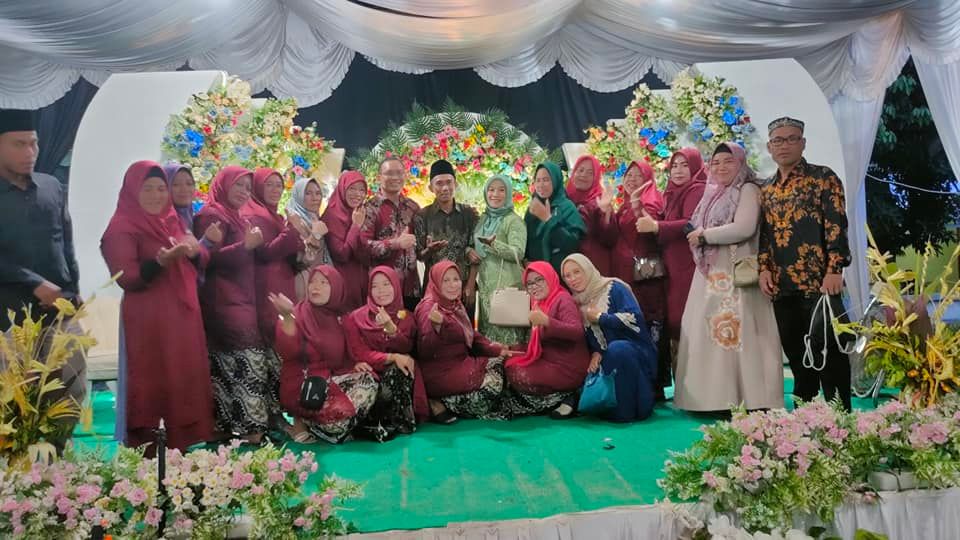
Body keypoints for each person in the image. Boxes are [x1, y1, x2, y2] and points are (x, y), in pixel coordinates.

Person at [101, 160, 213, 455]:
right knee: (156, 379)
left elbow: (200, 257)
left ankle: (182, 445)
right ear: (132, 191)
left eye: (161, 189)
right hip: (149, 320)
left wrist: (195, 250)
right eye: (148, 189)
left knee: (184, 378)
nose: (156, 195)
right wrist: (159, 263)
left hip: (182, 316)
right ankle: (152, 451)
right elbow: (126, 277)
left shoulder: (171, 219)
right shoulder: (121, 227)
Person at [675, 142, 783, 412]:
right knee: (710, 330)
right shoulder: (713, 193)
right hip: (712, 273)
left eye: (728, 161)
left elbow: (745, 227)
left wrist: (705, 236)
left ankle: (747, 397)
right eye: (716, 162)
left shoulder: (747, 189)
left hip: (735, 273)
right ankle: (712, 398)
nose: (721, 167)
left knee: (736, 330)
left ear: (740, 163)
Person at [0, 109, 85, 445]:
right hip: (9, 316)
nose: (30, 152)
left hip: (58, 313)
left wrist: (74, 289)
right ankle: (15, 471)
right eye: (19, 144)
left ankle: (54, 461)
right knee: (14, 401)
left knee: (70, 391)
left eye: (33, 143)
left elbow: (65, 241)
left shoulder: (51, 186)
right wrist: (32, 282)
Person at [759, 117, 852, 411]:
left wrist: (835, 269)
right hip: (783, 286)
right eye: (778, 140)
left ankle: (841, 419)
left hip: (820, 284)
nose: (784, 145)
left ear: (803, 143)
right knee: (798, 358)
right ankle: (804, 421)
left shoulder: (823, 178)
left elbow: (836, 225)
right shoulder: (766, 188)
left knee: (830, 354)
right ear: (769, 147)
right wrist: (764, 268)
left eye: (792, 138)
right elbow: (765, 235)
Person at [193, 165, 281, 444]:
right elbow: (207, 259)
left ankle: (232, 427)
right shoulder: (211, 215)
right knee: (248, 362)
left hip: (241, 300)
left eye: (247, 187)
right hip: (222, 302)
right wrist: (246, 245)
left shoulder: (236, 216)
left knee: (234, 365)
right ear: (223, 184)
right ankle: (253, 431)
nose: (244, 192)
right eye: (238, 185)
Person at [270, 266, 378, 444]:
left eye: (323, 282)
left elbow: (353, 350)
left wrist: (354, 364)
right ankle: (300, 421)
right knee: (338, 419)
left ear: (336, 287)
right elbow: (287, 351)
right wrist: (287, 317)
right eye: (312, 281)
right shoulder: (296, 314)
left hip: (328, 381)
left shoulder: (341, 318)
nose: (315, 286)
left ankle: (318, 426)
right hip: (302, 386)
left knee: (368, 380)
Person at [636, 148, 707, 395]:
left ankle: (696, 389)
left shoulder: (697, 189)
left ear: (695, 167)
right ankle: (684, 389)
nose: (678, 170)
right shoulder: (671, 192)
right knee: (676, 324)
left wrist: (657, 226)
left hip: (688, 264)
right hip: (673, 265)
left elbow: (691, 223)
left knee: (686, 322)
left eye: (684, 165)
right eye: (674, 165)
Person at [562, 254, 658, 422]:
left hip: (636, 355)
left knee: (619, 349)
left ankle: (629, 406)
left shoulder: (614, 287)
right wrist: (596, 352)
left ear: (588, 269)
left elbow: (635, 319)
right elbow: (591, 339)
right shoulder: (576, 303)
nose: (573, 279)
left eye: (577, 272)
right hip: (608, 361)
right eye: (567, 276)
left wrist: (601, 317)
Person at [414, 260, 509, 423]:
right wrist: (437, 327)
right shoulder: (428, 308)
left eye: (456, 279)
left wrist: (495, 348)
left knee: (501, 365)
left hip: (458, 364)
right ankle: (440, 403)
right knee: (494, 387)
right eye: (446, 280)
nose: (452, 285)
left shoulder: (454, 304)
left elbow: (469, 333)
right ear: (436, 282)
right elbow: (425, 349)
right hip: (439, 374)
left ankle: (443, 402)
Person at [343, 266, 429, 439]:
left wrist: (392, 329)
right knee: (367, 374)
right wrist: (392, 357)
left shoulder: (406, 316)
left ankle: (395, 423)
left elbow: (406, 348)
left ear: (396, 286)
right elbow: (360, 353)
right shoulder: (356, 318)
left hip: (396, 375)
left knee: (402, 367)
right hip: (370, 370)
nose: (381, 290)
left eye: (386, 284)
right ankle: (372, 422)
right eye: (375, 286)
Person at [502, 262, 590, 419]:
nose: (534, 286)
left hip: (568, 367)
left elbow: (576, 332)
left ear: (549, 277)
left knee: (517, 373)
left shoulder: (562, 299)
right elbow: (539, 342)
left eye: (539, 280)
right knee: (507, 358)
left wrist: (547, 321)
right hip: (549, 358)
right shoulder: (539, 303)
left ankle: (568, 396)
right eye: (529, 283)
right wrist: (512, 347)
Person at [243, 167, 304, 347]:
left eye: (279, 185)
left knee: (285, 331)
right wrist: (291, 229)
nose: (275, 190)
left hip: (281, 279)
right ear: (257, 187)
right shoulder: (254, 215)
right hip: (267, 284)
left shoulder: (274, 216)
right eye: (269, 185)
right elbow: (266, 252)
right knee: (274, 333)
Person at [609, 160, 667, 347]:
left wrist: (636, 204)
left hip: (644, 277)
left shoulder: (652, 202)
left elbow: (651, 230)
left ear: (648, 179)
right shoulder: (624, 205)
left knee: (646, 323)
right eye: (629, 175)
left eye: (638, 175)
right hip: (626, 273)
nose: (632, 179)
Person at [414, 159, 480, 311]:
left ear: (455, 184)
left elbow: (476, 253)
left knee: (464, 326)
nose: (445, 188)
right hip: (434, 288)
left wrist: (471, 284)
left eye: (449, 182)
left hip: (463, 287)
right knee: (434, 325)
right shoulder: (422, 216)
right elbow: (419, 256)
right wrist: (429, 250)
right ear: (431, 187)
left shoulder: (469, 214)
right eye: (439, 183)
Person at [473, 174, 528, 346]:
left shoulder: (513, 221)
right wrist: (468, 250)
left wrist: (494, 244)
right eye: (491, 189)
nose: (495, 194)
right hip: (486, 287)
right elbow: (474, 244)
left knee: (508, 339)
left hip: (507, 286)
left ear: (508, 193)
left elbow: (518, 252)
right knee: (489, 341)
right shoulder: (484, 219)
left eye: (501, 190)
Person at [361, 157, 421, 310]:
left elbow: (419, 244)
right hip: (384, 290)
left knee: (411, 324)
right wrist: (395, 244)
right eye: (389, 173)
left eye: (399, 173)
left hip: (411, 287)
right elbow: (363, 247)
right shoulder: (369, 209)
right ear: (379, 177)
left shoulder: (413, 207)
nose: (395, 177)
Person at [524, 162, 586, 273]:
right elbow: (526, 240)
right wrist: (526, 261)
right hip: (537, 274)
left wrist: (549, 220)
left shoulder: (567, 207)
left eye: (546, 180)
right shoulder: (533, 207)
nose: (541, 185)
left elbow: (572, 245)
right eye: (538, 180)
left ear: (555, 180)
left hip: (561, 273)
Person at [318, 171, 368, 310]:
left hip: (361, 281)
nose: (357, 194)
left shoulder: (360, 212)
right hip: (342, 282)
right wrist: (355, 226)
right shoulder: (332, 215)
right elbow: (341, 254)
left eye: (362, 190)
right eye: (352, 188)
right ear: (342, 188)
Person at [566, 155, 615, 275]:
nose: (583, 175)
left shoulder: (599, 202)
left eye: (590, 173)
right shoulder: (564, 200)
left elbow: (610, 239)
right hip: (570, 266)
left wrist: (604, 213)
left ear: (596, 177)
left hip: (593, 267)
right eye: (580, 170)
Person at [287, 176, 333, 302]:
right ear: (299, 196)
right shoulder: (294, 222)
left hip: (316, 279)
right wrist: (316, 235)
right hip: (303, 283)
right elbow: (300, 261)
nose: (315, 198)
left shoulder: (313, 218)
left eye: (318, 193)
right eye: (308, 193)